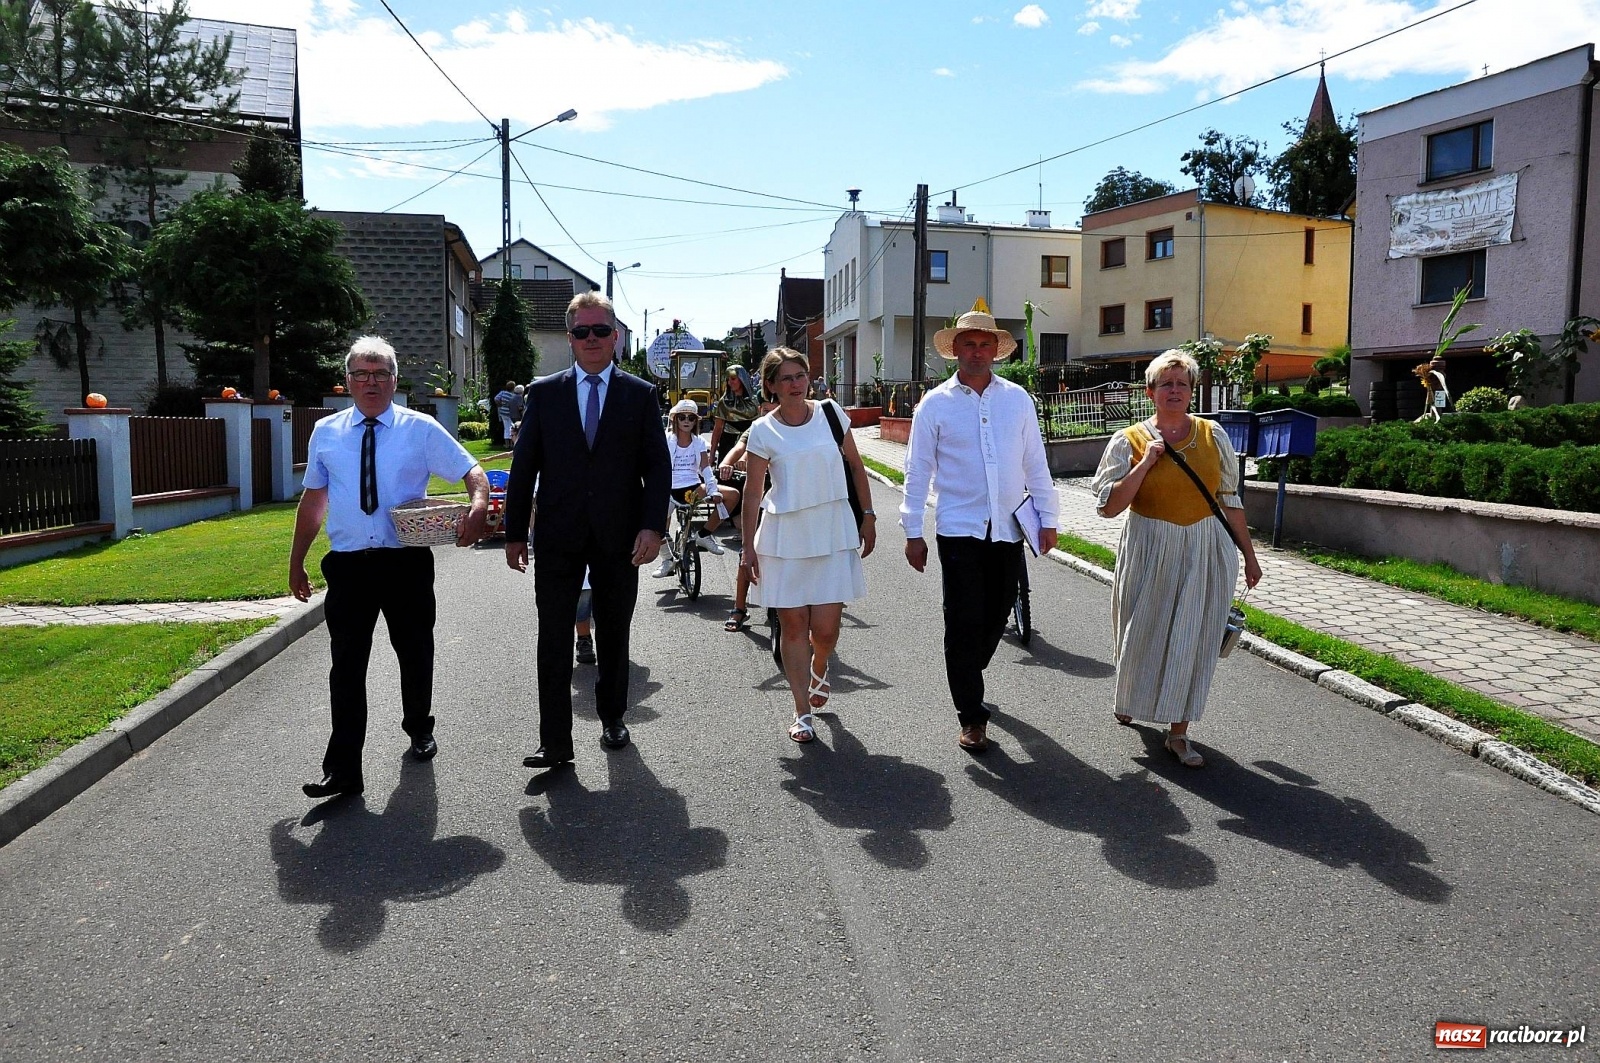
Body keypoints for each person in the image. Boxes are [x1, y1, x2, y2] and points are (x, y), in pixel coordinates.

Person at [289, 335, 490, 799]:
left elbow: (471, 469)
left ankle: (419, 725)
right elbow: (314, 499)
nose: (370, 381)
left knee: (415, 652)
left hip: (406, 564)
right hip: (348, 567)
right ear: (347, 382)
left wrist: (478, 505)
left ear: (394, 380)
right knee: (346, 668)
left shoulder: (418, 428)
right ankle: (343, 771)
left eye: (380, 373)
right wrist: (296, 562)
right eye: (361, 373)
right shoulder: (327, 432)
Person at [503, 291, 671, 769]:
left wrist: (653, 527)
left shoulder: (639, 395)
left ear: (615, 337)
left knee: (615, 631)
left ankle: (613, 716)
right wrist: (516, 533)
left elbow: (656, 468)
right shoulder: (545, 392)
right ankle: (554, 742)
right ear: (570, 338)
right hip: (558, 535)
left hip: (621, 537)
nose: (592, 339)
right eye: (582, 331)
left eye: (601, 330)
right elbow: (524, 466)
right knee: (553, 637)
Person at [1089, 349, 1263, 768]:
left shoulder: (1212, 436)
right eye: (1165, 383)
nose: (1174, 390)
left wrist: (1250, 557)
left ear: (1191, 391)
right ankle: (1131, 696)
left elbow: (1229, 500)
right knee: (1141, 629)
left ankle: (1179, 733)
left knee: (1196, 637)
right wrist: (1146, 462)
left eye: (1181, 384)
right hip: (1149, 545)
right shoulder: (1127, 440)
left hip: (1205, 546)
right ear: (1150, 391)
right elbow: (1109, 507)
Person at [900, 304, 1059, 753]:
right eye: (967, 344)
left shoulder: (1017, 399)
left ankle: (969, 667)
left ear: (995, 350)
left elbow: (1035, 464)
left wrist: (1049, 519)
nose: (976, 351)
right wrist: (913, 531)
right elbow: (917, 471)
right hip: (959, 529)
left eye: (983, 344)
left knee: (996, 614)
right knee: (963, 622)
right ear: (954, 351)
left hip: (1008, 527)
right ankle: (972, 715)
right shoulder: (935, 405)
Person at [742, 348, 874, 743]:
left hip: (832, 529)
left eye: (800, 375)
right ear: (771, 387)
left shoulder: (832, 414)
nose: (796, 384)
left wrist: (868, 515)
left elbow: (856, 466)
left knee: (827, 629)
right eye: (786, 378)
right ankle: (802, 711)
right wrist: (748, 548)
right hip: (785, 536)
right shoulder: (764, 430)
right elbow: (752, 493)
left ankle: (821, 665)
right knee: (794, 625)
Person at [653, 398, 739, 578]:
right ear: (675, 419)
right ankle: (667, 559)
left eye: (691, 418)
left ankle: (704, 534)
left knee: (732, 495)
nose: (686, 421)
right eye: (682, 417)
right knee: (654, 525)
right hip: (668, 489)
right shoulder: (666, 439)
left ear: (695, 421)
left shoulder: (699, 442)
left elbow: (706, 469)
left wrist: (713, 490)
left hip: (693, 489)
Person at [715, 397, 776, 632]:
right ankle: (739, 608)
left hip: (785, 500)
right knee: (747, 549)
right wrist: (729, 462)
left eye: (773, 409)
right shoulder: (756, 430)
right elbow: (740, 448)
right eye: (764, 410)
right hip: (759, 498)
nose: (769, 413)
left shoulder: (789, 427)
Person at [708, 365, 760, 463]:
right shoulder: (723, 402)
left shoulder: (754, 401)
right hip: (727, 444)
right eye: (728, 380)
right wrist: (712, 454)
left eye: (733, 379)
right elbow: (717, 430)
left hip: (749, 444)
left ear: (742, 379)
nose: (729, 382)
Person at [493, 380, 519, 445]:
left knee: (506, 428)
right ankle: (511, 443)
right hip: (510, 413)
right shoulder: (513, 395)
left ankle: (506, 443)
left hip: (502, 412)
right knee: (511, 427)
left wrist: (500, 404)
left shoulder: (502, 393)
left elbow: (496, 398)